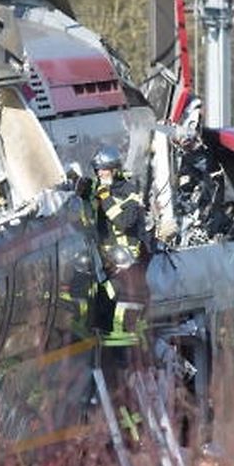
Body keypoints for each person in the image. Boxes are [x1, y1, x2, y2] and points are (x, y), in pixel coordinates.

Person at [86, 145, 147, 349]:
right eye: (97, 171)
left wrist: (105, 198)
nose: (99, 174)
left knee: (119, 294)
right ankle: (97, 332)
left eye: (103, 170)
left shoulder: (129, 192)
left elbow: (124, 222)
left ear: (114, 169)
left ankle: (121, 340)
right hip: (103, 255)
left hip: (126, 257)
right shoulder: (99, 189)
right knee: (95, 292)